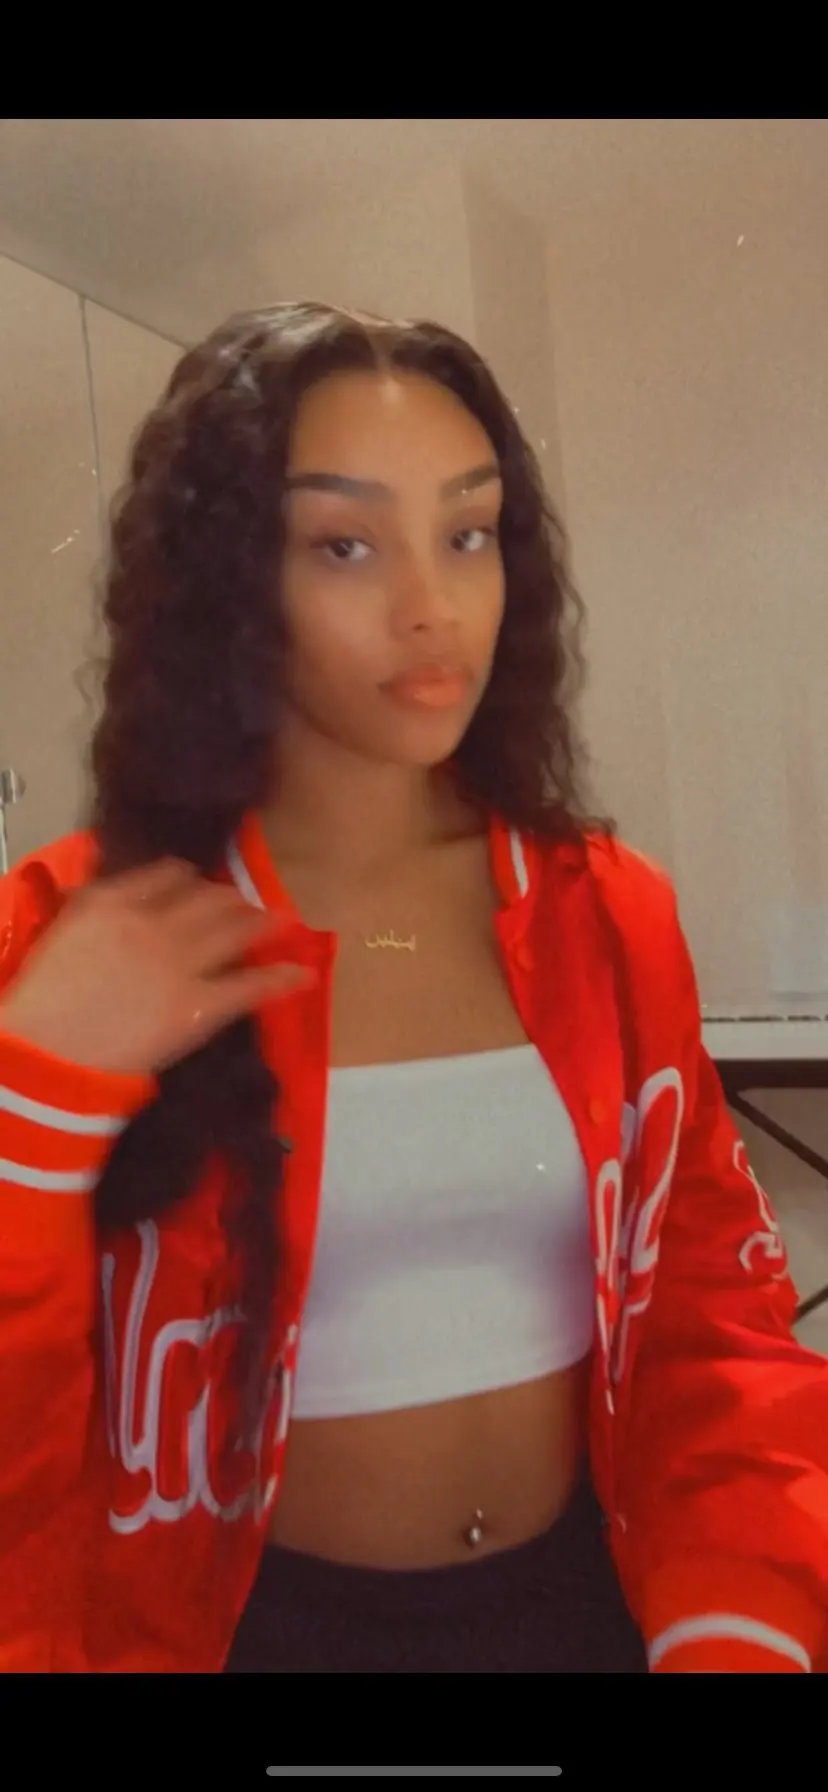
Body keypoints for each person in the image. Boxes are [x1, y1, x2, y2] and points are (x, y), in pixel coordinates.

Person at [0, 301, 826, 1676]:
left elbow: (708, 1322)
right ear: (225, 580)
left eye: (469, 532)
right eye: (343, 544)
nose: (431, 605)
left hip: (590, 1614)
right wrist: (32, 1102)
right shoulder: (71, 933)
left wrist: (737, 1625)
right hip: (235, 1634)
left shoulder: (603, 914)